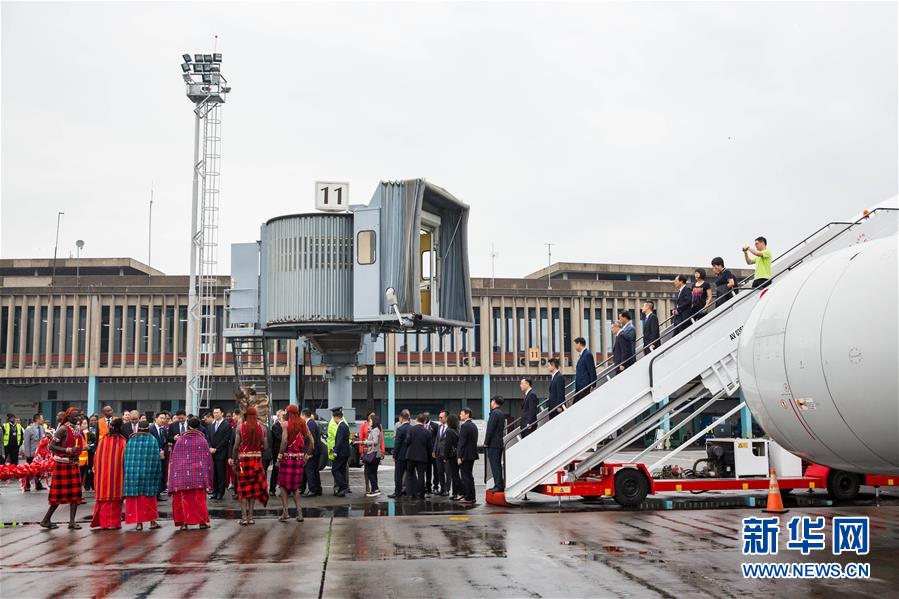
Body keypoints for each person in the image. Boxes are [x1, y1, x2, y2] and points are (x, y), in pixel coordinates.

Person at [39, 408, 85, 530]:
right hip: (62, 465)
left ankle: (72, 522)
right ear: (69, 417)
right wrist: (67, 450)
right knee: (58, 496)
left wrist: (82, 448)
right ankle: (46, 520)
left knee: (75, 494)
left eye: (79, 416)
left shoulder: (76, 429)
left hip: (73, 464)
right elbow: (51, 446)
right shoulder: (63, 429)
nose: (78, 419)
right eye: (76, 417)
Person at [168, 417, 213, 530]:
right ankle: (202, 522)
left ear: (188, 426)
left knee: (183, 500)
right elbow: (207, 460)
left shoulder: (180, 440)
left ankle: (184, 523)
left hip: (182, 477)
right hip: (198, 476)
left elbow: (174, 460)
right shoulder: (202, 440)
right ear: (199, 427)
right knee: (199, 500)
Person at [230, 406, 268, 525]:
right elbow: (265, 447)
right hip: (256, 460)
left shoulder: (240, 427)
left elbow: (236, 446)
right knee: (253, 489)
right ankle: (251, 517)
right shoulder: (262, 427)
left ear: (245, 415)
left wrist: (234, 459)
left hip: (244, 460)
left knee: (243, 490)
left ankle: (244, 517)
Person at [276, 405, 315, 521]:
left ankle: (285, 512)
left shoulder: (285, 424)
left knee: (283, 485)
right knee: (295, 488)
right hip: (298, 459)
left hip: (287, 458)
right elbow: (312, 441)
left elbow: (284, 441)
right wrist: (307, 456)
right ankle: (300, 514)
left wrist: (279, 456)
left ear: (288, 412)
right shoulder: (303, 423)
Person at [123, 420, 162, 531]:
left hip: (133, 475)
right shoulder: (152, 440)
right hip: (148, 475)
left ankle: (139, 524)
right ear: (148, 429)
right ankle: (153, 522)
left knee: (137, 500)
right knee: (149, 499)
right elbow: (156, 459)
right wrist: (158, 474)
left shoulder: (131, 441)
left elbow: (126, 459)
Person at [90, 417, 127, 530]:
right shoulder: (122, 441)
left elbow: (96, 458)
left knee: (103, 501)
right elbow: (124, 460)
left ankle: (103, 523)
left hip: (102, 477)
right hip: (116, 476)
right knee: (114, 502)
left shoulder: (103, 440)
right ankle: (114, 523)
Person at [206, 406, 232, 500]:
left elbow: (226, 439)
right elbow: (208, 438)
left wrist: (216, 448)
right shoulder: (211, 426)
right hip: (212, 452)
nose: (216, 414)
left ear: (222, 413)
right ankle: (215, 491)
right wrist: (210, 447)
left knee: (221, 473)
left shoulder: (227, 425)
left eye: (218, 412)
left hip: (221, 452)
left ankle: (221, 492)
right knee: (214, 474)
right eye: (214, 413)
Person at [405, 414, 433, 499]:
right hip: (422, 457)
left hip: (411, 456)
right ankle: (421, 494)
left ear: (416, 419)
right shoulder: (427, 432)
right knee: (421, 475)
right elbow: (429, 447)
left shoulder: (411, 429)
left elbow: (407, 441)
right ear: (424, 421)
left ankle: (410, 493)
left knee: (409, 474)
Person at [457, 408, 479, 505]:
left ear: (467, 414)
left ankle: (468, 497)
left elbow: (461, 442)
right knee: (470, 476)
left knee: (465, 476)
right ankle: (472, 496)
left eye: (461, 414)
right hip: (472, 454)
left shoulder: (465, 426)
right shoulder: (473, 425)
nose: (460, 416)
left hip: (465, 455)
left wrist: (459, 456)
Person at [484, 396, 506, 492]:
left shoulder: (494, 413)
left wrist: (486, 442)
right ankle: (499, 484)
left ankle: (498, 485)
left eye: (491, 401)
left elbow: (490, 429)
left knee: (495, 465)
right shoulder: (501, 413)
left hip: (493, 444)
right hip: (499, 442)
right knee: (497, 465)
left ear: (494, 402)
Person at [328, 407, 351, 497]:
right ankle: (342, 489)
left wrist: (335, 451)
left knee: (335, 470)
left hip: (340, 452)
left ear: (336, 417)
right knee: (341, 470)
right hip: (345, 452)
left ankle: (344, 486)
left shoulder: (340, 427)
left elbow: (339, 440)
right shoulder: (345, 425)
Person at [389, 410, 411, 499]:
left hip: (401, 456)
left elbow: (397, 444)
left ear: (401, 418)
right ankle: (410, 491)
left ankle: (397, 492)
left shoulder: (400, 429)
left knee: (398, 475)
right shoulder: (411, 428)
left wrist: (394, 455)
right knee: (410, 474)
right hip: (409, 455)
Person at [359, 414, 383, 497]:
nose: (369, 422)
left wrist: (365, 442)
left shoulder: (375, 430)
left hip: (373, 453)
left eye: (371, 420)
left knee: (370, 472)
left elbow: (375, 441)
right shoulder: (375, 429)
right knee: (373, 472)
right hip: (375, 453)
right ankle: (374, 489)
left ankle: (375, 489)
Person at [301, 409, 323, 497]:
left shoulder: (309, 424)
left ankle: (313, 489)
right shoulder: (312, 423)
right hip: (314, 451)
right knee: (314, 471)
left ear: (303, 415)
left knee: (309, 470)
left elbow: (311, 441)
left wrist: (308, 454)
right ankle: (317, 489)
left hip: (311, 451)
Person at [23, 414, 46, 491]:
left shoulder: (42, 428)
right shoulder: (29, 429)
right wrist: (28, 454)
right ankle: (26, 484)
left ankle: (38, 484)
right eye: (42, 418)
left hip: (40, 454)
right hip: (31, 453)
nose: (43, 420)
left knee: (39, 470)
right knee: (30, 470)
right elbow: (26, 443)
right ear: (37, 419)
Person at [443, 413, 462, 500]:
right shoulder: (457, 430)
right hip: (457, 455)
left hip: (452, 455)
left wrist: (445, 456)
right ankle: (455, 493)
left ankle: (459, 492)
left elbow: (447, 445)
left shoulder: (449, 431)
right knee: (456, 474)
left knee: (455, 475)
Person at [150, 412, 169, 498]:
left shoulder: (164, 430)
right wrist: (158, 451)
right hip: (153, 455)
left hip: (162, 455)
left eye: (164, 418)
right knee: (154, 474)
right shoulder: (151, 429)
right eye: (161, 418)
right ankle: (154, 493)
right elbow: (150, 442)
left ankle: (159, 492)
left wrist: (163, 451)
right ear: (155, 419)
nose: (163, 420)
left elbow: (166, 443)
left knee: (161, 474)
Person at [573, 337, 596, 403]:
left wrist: (592, 385)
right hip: (580, 386)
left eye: (575, 345)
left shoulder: (587, 354)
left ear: (579, 344)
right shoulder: (582, 354)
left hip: (585, 386)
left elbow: (592, 370)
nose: (575, 347)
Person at [433, 410, 449, 495]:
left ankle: (447, 489)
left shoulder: (450, 427)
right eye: (439, 417)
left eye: (441, 417)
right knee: (440, 472)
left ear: (446, 418)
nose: (439, 419)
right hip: (438, 453)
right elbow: (437, 439)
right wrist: (434, 450)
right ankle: (442, 488)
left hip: (446, 453)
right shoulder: (439, 427)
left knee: (447, 472)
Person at [269, 409, 285, 495]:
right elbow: (280, 437)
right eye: (283, 415)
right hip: (277, 452)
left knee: (284, 470)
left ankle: (285, 489)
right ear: (278, 416)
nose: (285, 417)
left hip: (285, 451)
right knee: (276, 470)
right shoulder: (275, 426)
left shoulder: (286, 425)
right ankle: (272, 489)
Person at [422, 412, 438, 493]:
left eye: (426, 417)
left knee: (436, 470)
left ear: (429, 417)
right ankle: (428, 486)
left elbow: (437, 439)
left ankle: (436, 486)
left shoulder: (434, 426)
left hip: (434, 452)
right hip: (425, 452)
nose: (424, 418)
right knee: (427, 470)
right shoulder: (421, 426)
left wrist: (435, 450)